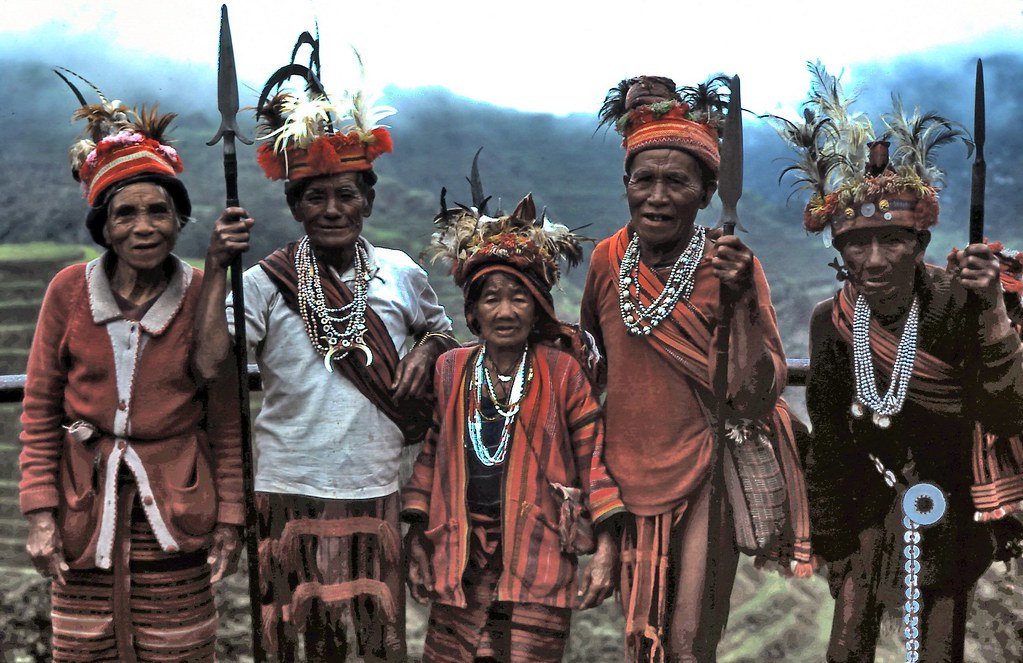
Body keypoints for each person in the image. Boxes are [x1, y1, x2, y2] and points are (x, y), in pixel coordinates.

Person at [194, 46, 457, 662]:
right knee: (294, 639)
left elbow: (444, 337)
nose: (333, 209)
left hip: (375, 482)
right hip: (290, 486)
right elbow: (209, 365)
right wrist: (214, 268)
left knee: (372, 639)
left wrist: (429, 345)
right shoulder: (262, 282)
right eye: (315, 198)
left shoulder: (399, 272)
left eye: (346, 194)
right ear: (295, 208)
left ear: (368, 199)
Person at [771, 64, 1023, 662]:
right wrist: (835, 537)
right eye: (859, 243)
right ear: (840, 251)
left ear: (920, 246)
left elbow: (1008, 407)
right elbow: (831, 437)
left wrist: (990, 312)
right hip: (866, 506)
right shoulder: (831, 323)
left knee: (937, 647)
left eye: (893, 242)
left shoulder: (960, 304)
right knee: (847, 646)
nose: (875, 258)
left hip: (953, 504)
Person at [580, 75, 812, 663]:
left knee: (689, 642)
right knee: (640, 639)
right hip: (628, 475)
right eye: (644, 179)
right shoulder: (608, 260)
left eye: (676, 181)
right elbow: (589, 365)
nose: (657, 196)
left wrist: (739, 303)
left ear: (707, 193)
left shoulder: (730, 265)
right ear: (625, 184)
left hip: (706, 470)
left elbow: (757, 392)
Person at [19, 75, 243, 662]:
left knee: (179, 646)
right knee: (84, 645)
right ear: (104, 227)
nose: (143, 227)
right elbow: (40, 408)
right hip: (83, 504)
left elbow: (224, 419)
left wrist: (231, 519)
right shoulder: (68, 292)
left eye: (158, 212)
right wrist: (40, 513)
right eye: (125, 214)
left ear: (177, 221)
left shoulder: (200, 295)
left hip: (177, 501)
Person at [403, 190, 626, 662]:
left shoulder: (563, 371)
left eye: (519, 298)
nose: (505, 311)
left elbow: (593, 459)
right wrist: (416, 538)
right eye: (491, 299)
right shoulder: (451, 371)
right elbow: (432, 456)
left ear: (539, 306)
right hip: (459, 555)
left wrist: (606, 549)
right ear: (473, 311)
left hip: (538, 556)